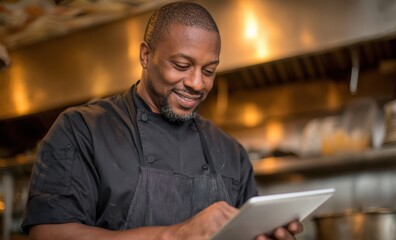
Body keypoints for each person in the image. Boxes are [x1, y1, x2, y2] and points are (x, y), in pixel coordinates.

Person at [22, 2, 303, 239]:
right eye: (181, 66)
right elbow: (48, 233)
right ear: (146, 55)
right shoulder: (82, 129)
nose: (196, 83)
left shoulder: (231, 152)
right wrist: (175, 234)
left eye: (209, 70)